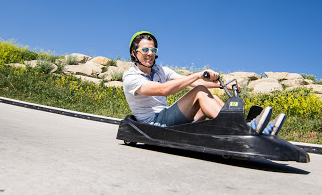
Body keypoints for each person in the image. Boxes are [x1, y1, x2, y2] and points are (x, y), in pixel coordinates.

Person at [122, 31, 284, 134]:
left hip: (166, 116)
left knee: (203, 96)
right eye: (145, 50)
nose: (150, 53)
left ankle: (247, 126)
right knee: (200, 91)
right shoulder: (130, 77)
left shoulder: (160, 70)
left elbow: (191, 84)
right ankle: (244, 128)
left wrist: (222, 85)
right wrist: (198, 75)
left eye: (153, 50)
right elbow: (163, 90)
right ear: (134, 54)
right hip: (153, 124)